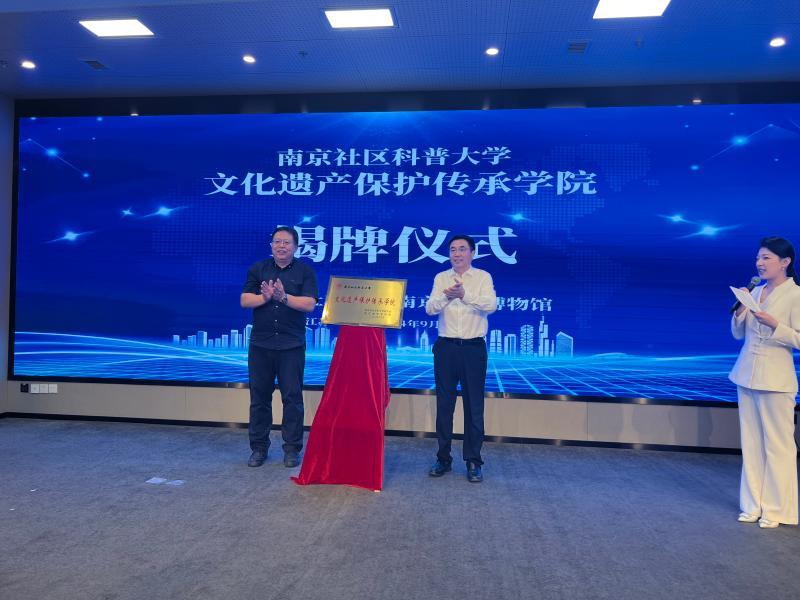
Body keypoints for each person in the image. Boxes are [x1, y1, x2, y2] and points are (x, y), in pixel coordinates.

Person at [729, 236, 800, 528]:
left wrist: (776, 326)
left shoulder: (795, 295)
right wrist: (739, 311)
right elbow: (738, 335)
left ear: (785, 262)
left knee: (778, 446)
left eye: (766, 258)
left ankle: (777, 510)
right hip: (746, 375)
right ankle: (752, 505)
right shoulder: (755, 292)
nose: (760, 263)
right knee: (751, 444)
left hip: (776, 381)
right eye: (758, 257)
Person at [241, 226, 318, 468]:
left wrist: (283, 297)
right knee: (259, 399)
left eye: (286, 242)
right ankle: (259, 448)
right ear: (271, 245)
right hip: (260, 345)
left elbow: (309, 304)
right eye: (277, 242)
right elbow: (245, 300)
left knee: (292, 399)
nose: (281, 246)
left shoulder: (305, 271)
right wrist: (265, 297)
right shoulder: (258, 269)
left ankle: (292, 449)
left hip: (291, 345)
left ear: (295, 247)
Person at [425, 234, 497, 482]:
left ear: (472, 253)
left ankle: (473, 460)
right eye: (453, 249)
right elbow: (430, 308)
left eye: (462, 249)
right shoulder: (441, 278)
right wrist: (448, 296)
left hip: (473, 348)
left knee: (474, 406)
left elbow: (491, 306)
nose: (457, 254)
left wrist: (464, 294)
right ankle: (443, 458)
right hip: (446, 348)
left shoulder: (483, 277)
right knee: (444, 405)